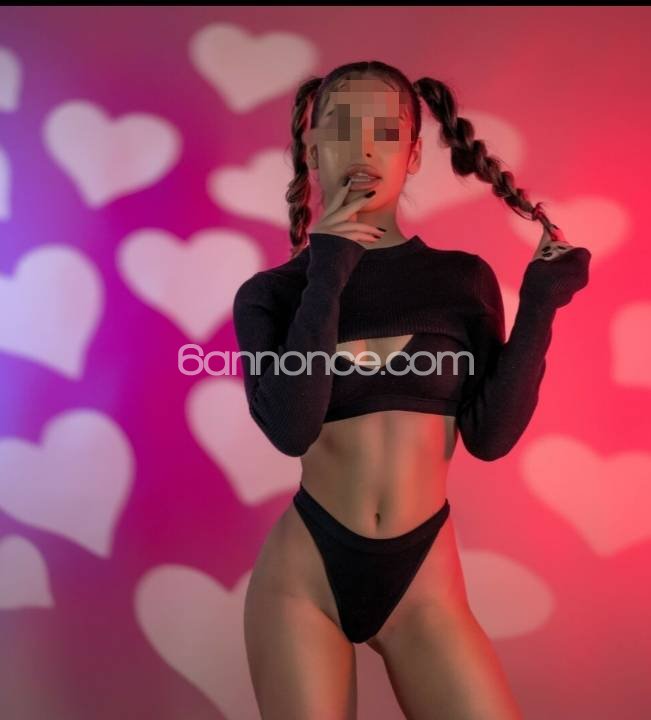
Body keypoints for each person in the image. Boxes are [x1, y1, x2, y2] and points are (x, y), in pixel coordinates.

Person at [232, 62, 591, 719]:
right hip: (304, 580)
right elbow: (290, 428)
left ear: (414, 155)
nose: (362, 148)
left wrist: (539, 304)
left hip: (425, 584)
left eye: (385, 132)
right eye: (341, 127)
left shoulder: (460, 280)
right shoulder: (272, 295)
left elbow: (489, 437)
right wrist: (328, 265)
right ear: (312, 145)